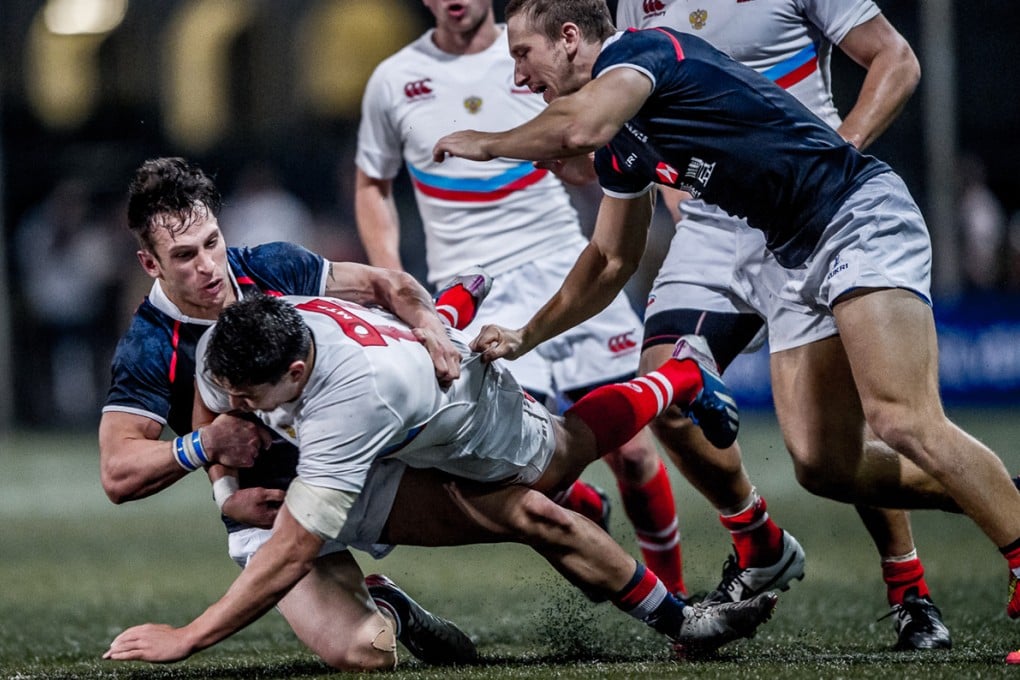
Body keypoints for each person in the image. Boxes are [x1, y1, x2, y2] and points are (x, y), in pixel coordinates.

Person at [432, 0, 1020, 656]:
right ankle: (763, 536)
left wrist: (486, 143)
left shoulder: (642, 52)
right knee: (822, 462)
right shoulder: (621, 132)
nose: (517, 77)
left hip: (849, 210)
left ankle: (928, 576)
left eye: (522, 56)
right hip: (766, 230)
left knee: (901, 419)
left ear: (570, 38)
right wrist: (526, 336)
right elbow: (607, 260)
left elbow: (578, 126)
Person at [104, 292, 778, 665]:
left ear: (297, 376)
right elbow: (383, 283)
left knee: (555, 468)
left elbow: (291, 551)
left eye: (251, 396)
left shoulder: (350, 399)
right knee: (374, 647)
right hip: (392, 439)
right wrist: (436, 315)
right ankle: (684, 621)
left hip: (468, 422)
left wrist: (185, 638)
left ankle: (680, 378)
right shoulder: (245, 335)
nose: (237, 405)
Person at [613, 0, 949, 650]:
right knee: (664, 388)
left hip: (811, 205)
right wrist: (686, 205)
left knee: (835, 441)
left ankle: (909, 589)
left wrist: (828, 160)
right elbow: (649, 109)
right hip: (717, 225)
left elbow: (896, 59)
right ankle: (757, 539)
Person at [99, 156, 490, 669]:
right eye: (184, 255)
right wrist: (212, 463)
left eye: (213, 243)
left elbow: (387, 285)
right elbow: (118, 472)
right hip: (275, 510)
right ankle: (391, 608)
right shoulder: (150, 346)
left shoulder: (271, 266)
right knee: (365, 653)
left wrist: (433, 326)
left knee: (524, 507)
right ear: (150, 264)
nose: (209, 267)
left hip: (368, 463)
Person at [354, 0, 686, 595]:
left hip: (562, 262)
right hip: (473, 287)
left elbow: (594, 152)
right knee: (517, 470)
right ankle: (580, 504)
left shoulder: (542, 52)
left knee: (634, 454)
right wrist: (393, 283)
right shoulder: (392, 79)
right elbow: (372, 184)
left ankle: (679, 602)